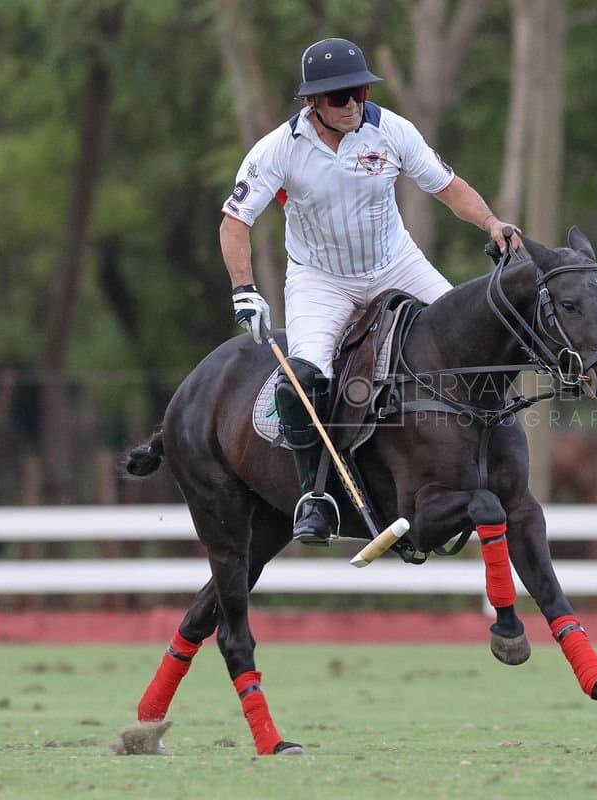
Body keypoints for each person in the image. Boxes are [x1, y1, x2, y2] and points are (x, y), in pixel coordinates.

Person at [219, 37, 521, 545]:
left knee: (470, 341)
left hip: (395, 263)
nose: (354, 104)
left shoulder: (392, 131)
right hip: (320, 279)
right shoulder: (278, 150)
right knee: (302, 384)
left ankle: (483, 461)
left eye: (359, 91)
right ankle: (315, 496)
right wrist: (244, 290)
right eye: (341, 97)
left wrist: (491, 223)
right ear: (312, 103)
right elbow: (234, 222)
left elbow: (446, 187)